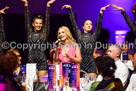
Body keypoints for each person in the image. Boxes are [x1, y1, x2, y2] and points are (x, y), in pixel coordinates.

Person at [62, 4, 110, 78]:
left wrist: (101, 13)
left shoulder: (94, 36)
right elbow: (74, 24)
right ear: (83, 27)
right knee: (80, 86)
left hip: (91, 64)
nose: (89, 25)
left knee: (91, 86)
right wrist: (70, 10)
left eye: (90, 24)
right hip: (81, 63)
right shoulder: (79, 36)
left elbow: (98, 26)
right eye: (87, 24)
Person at [21, 0, 55, 81]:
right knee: (31, 85)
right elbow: (26, 21)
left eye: (40, 23)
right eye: (37, 23)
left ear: (42, 24)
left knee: (42, 84)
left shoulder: (44, 33)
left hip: (42, 61)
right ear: (33, 24)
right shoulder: (29, 33)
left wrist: (48, 7)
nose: (38, 25)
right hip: (30, 60)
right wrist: (26, 5)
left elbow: (47, 22)